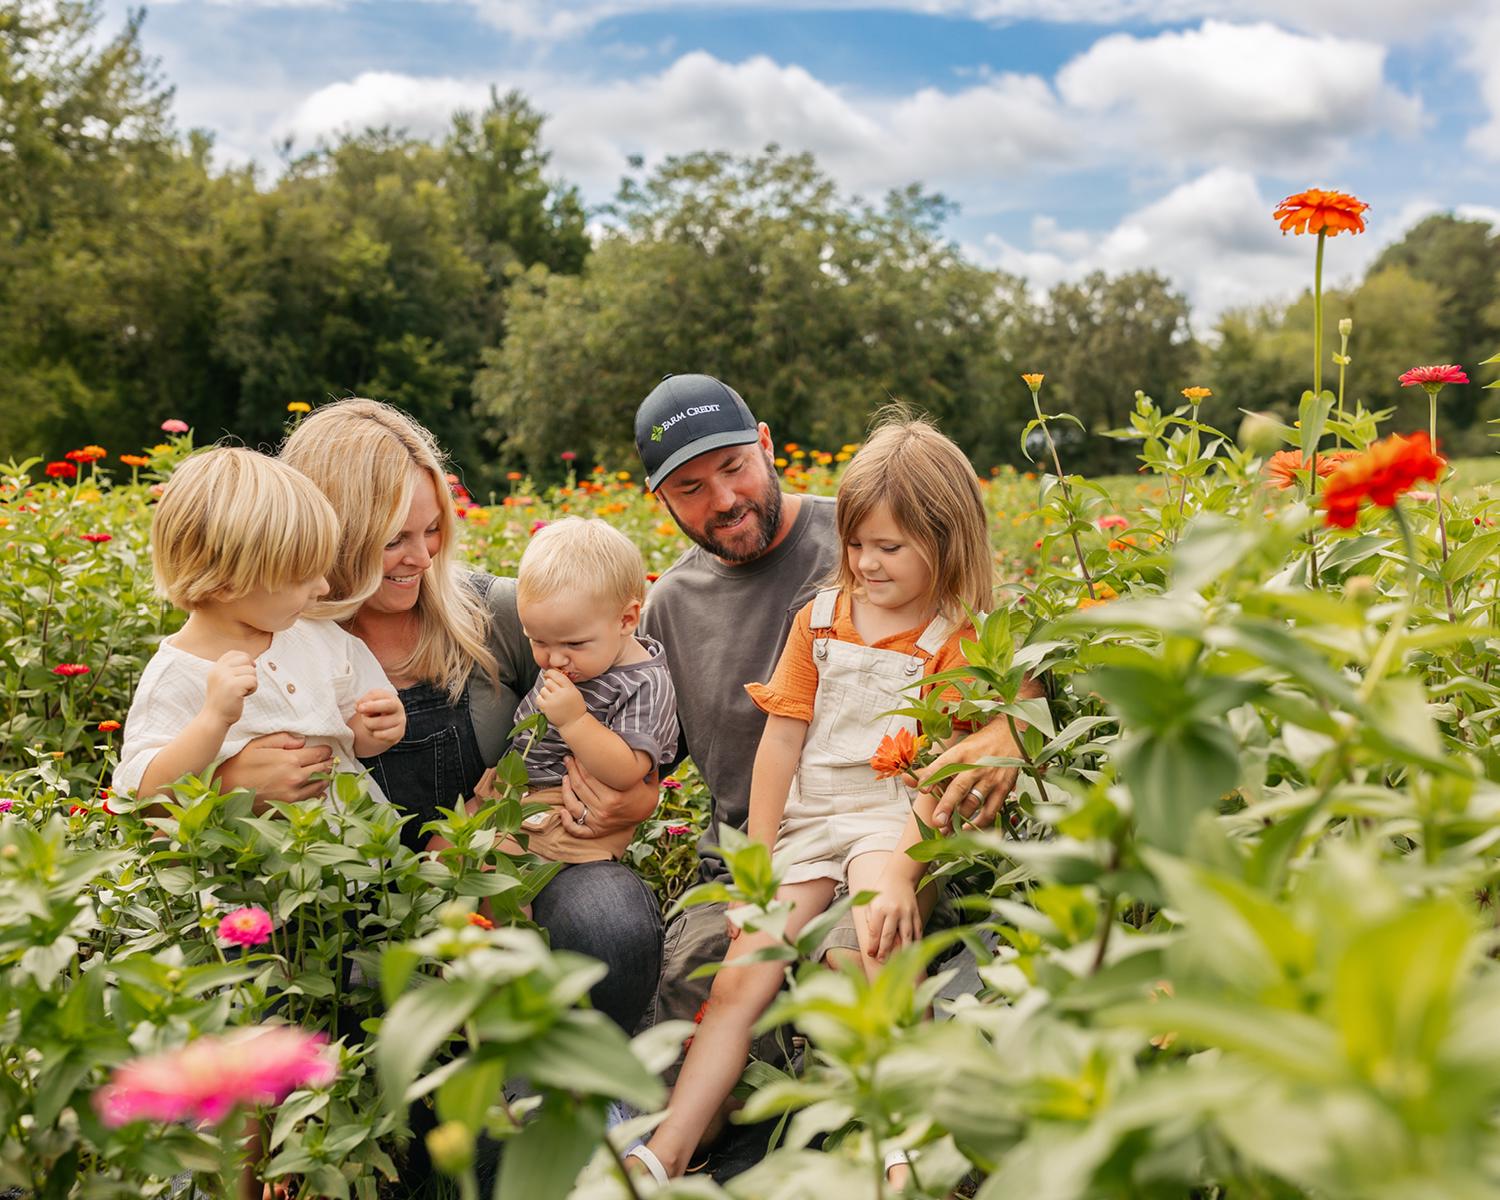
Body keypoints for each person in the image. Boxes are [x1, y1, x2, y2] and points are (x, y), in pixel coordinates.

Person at [210, 399, 663, 1037]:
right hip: (348, 902)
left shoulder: (498, 615)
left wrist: (638, 795)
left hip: (501, 870)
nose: (422, 557)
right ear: (327, 532)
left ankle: (598, 1089)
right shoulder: (271, 640)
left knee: (608, 920)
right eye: (394, 538)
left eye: (433, 530)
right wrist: (228, 782)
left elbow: (634, 685)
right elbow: (158, 779)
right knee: (274, 962)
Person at [624, 415, 991, 1184]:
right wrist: (755, 867)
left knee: (873, 955)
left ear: (946, 541)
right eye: (858, 546)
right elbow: (781, 743)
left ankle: (904, 1148)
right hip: (808, 818)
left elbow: (948, 760)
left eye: (889, 548)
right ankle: (665, 1150)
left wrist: (900, 866)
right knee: (740, 972)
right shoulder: (820, 618)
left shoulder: (955, 636)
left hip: (892, 820)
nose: (865, 561)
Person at [114, 447, 405, 804]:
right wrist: (213, 719)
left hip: (355, 849)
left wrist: (377, 726)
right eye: (302, 577)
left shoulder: (314, 635)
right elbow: (141, 794)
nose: (323, 588)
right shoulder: (177, 674)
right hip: (255, 857)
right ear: (226, 583)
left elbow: (353, 734)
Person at [501, 516, 678, 868]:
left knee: (495, 870)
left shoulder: (644, 684)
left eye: (574, 643)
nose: (553, 659)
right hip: (517, 786)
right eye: (538, 641)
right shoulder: (577, 655)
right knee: (442, 852)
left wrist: (574, 720)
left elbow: (628, 770)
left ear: (627, 620)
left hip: (567, 807)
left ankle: (505, 925)